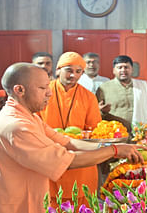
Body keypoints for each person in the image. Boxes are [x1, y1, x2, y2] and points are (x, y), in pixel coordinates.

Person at [0, 62, 146, 212]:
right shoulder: (16, 126)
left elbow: (66, 141)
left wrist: (112, 148)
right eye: (42, 88)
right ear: (19, 90)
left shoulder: (28, 116)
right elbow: (68, 161)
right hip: (10, 204)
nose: (49, 93)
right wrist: (114, 150)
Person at [39, 51, 103, 206]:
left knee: (82, 203)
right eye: (68, 70)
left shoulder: (88, 97)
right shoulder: (43, 92)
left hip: (80, 162)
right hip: (49, 158)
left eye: (78, 71)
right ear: (58, 70)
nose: (73, 75)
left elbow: (96, 130)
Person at [96, 55, 147, 132]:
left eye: (126, 67)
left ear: (132, 70)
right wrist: (102, 111)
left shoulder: (141, 86)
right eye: (119, 67)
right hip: (115, 134)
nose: (123, 70)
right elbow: (95, 113)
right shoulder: (103, 88)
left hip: (140, 133)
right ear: (114, 70)